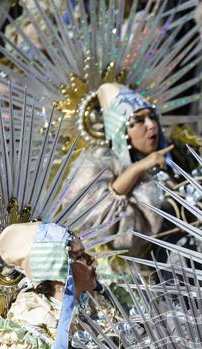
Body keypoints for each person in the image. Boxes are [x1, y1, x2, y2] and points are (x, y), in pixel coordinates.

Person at [64, 83, 175, 274]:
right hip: (113, 276)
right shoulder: (98, 164)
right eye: (139, 120)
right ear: (122, 131)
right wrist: (138, 168)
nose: (151, 125)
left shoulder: (171, 160)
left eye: (152, 117)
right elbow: (95, 220)